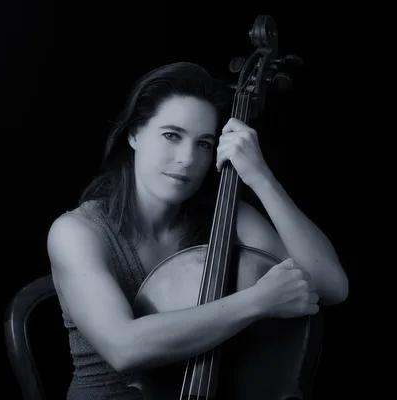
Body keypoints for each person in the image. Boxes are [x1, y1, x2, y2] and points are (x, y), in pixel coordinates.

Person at [47, 61, 349, 399]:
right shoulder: (77, 232)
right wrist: (258, 301)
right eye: (172, 136)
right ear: (133, 134)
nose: (187, 159)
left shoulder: (224, 216)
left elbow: (331, 287)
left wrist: (260, 176)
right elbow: (123, 347)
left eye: (204, 143)